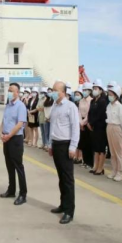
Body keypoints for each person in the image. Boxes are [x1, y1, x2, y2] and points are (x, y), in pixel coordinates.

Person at [48, 80, 80, 225]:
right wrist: (50, 144)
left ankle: (69, 211)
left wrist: (73, 147)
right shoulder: (54, 106)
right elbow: (52, 126)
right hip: (56, 144)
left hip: (66, 145)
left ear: (62, 92)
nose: (53, 92)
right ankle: (63, 204)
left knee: (67, 179)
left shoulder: (70, 106)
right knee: (61, 177)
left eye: (55, 90)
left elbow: (75, 128)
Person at [0, 82, 28, 206]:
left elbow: (20, 124)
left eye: (12, 91)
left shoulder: (20, 106)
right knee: (9, 166)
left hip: (15, 139)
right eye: (9, 90)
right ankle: (11, 190)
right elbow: (3, 121)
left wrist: (9, 135)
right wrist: (1, 133)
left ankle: (23, 194)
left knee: (18, 166)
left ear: (17, 92)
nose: (9, 93)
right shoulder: (8, 105)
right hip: (6, 139)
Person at [87, 80, 109, 177]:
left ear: (100, 90)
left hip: (100, 127)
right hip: (93, 127)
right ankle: (95, 166)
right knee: (95, 148)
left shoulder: (103, 101)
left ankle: (100, 168)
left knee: (101, 148)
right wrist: (89, 122)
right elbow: (90, 113)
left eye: (96, 88)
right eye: (94, 88)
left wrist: (91, 123)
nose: (94, 90)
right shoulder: (92, 101)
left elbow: (100, 115)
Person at [106, 85, 122, 183]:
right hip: (109, 127)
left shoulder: (120, 107)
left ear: (116, 95)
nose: (109, 96)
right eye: (109, 94)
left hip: (117, 128)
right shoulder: (109, 106)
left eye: (111, 94)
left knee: (118, 152)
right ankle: (114, 170)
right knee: (112, 152)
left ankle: (120, 173)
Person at [77, 84, 93, 169]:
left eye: (86, 90)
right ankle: (84, 161)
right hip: (81, 122)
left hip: (87, 122)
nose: (84, 92)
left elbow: (89, 113)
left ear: (90, 91)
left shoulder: (91, 100)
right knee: (82, 143)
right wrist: (80, 122)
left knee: (88, 143)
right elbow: (79, 112)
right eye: (83, 90)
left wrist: (83, 123)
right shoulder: (81, 101)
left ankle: (90, 163)